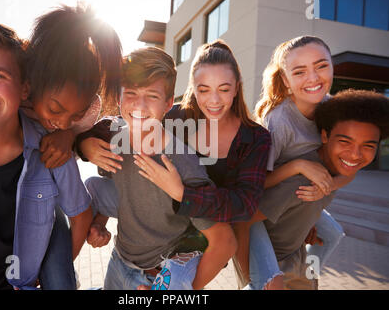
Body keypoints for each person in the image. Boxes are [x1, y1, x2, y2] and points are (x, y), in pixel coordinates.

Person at [0, 4, 123, 289]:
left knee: (58, 266)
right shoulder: (16, 66)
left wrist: (71, 137)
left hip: (43, 196)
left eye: (71, 116)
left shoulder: (78, 115)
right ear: (30, 83)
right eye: (55, 109)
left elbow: (77, 126)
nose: (61, 122)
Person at [99, 40, 272, 288]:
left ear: (237, 88)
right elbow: (124, 122)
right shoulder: (175, 116)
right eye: (203, 89)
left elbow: (244, 206)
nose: (213, 100)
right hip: (167, 234)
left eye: (223, 89)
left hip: (233, 224)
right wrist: (84, 142)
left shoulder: (255, 138)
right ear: (192, 89)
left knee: (270, 283)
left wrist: (182, 193)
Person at [77, 46, 237, 290]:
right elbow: (118, 191)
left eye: (152, 95)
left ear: (168, 103)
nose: (139, 105)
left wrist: (178, 291)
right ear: (119, 97)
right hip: (118, 262)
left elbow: (225, 243)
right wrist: (99, 223)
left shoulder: (183, 164)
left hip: (154, 278)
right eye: (130, 93)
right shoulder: (113, 140)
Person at [236, 36, 348, 290]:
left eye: (321, 66)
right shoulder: (279, 121)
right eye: (299, 72)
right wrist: (298, 165)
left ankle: (299, 274)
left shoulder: (333, 110)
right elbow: (256, 184)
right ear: (285, 80)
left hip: (298, 201)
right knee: (266, 281)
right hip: (260, 208)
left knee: (332, 234)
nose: (313, 78)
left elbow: (349, 169)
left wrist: (326, 187)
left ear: (332, 66)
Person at [258, 89, 389, 289]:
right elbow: (248, 216)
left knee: (332, 235)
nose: (355, 155)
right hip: (278, 259)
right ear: (325, 136)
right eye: (346, 142)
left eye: (368, 146)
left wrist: (327, 186)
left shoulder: (337, 168)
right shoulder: (302, 178)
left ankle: (312, 274)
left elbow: (348, 175)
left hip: (298, 255)